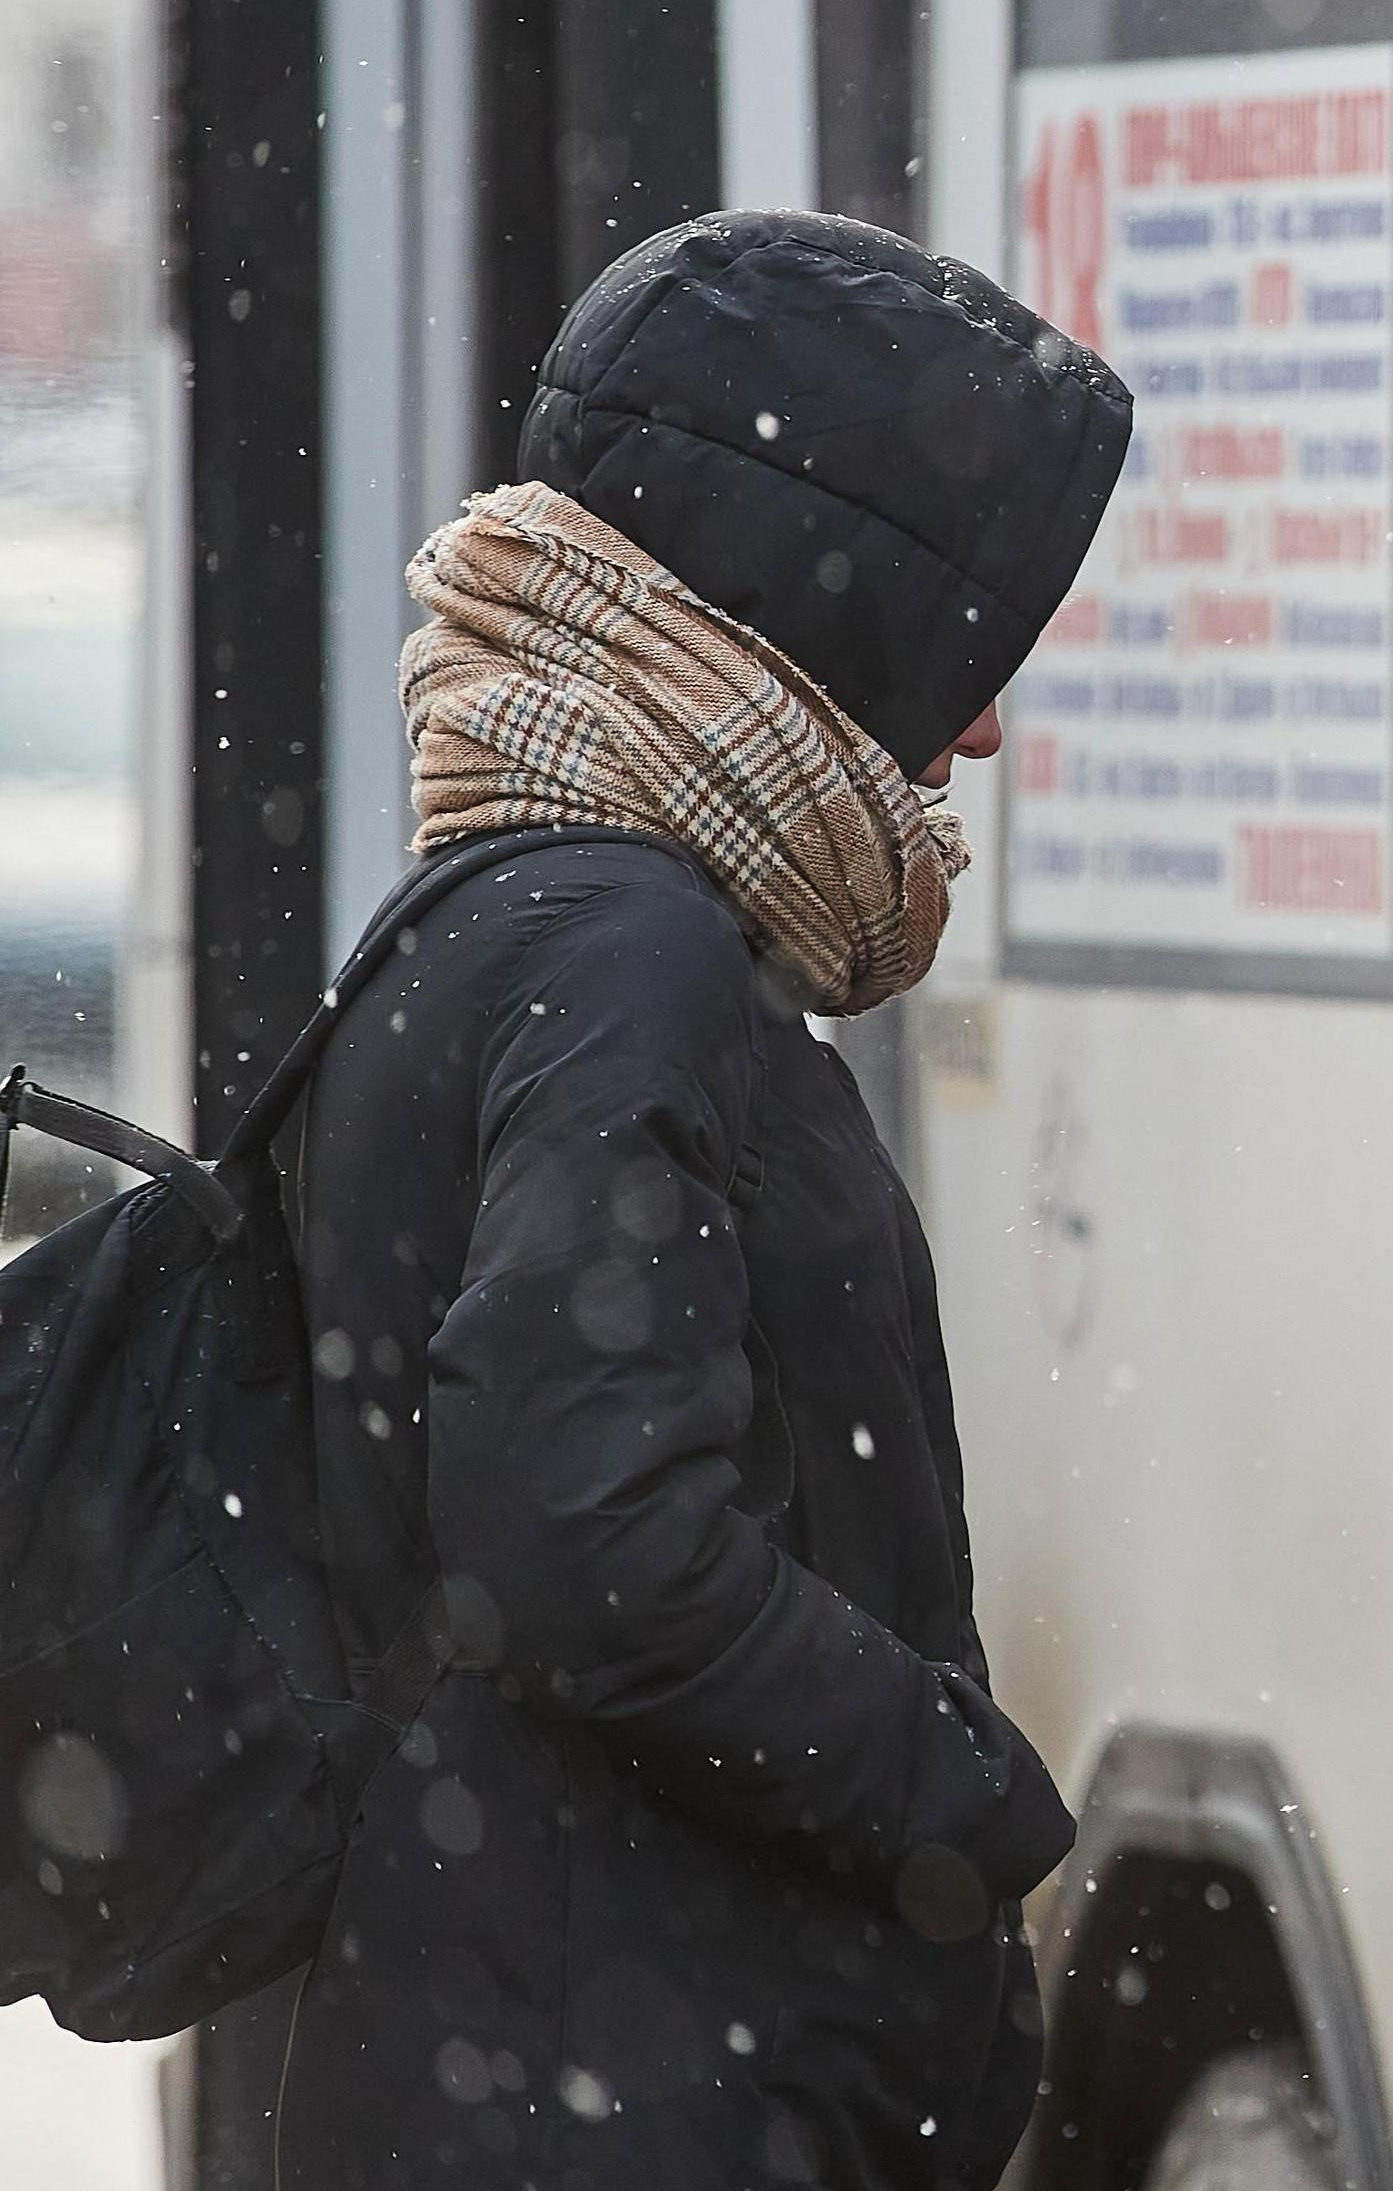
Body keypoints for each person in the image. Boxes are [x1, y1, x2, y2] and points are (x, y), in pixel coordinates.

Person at [272, 211, 1128, 2186]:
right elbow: (588, 1530)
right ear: (802, 597)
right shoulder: (626, 943)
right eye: (956, 639)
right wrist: (964, 1797)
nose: (980, 726)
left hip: (554, 2073)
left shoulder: (529, 909)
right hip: (624, 2106)